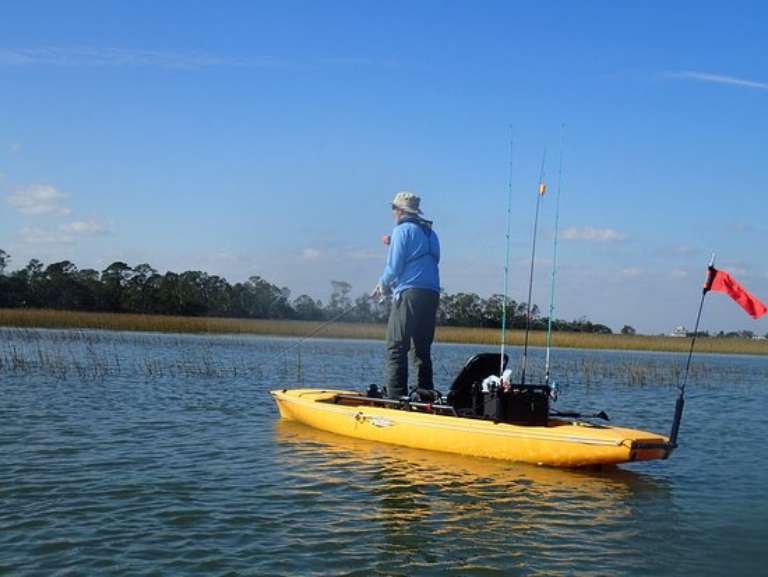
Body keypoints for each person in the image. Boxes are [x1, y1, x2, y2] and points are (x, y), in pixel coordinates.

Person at [372, 192, 441, 399]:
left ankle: (395, 399)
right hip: (432, 294)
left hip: (410, 294)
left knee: (396, 347)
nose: (393, 213)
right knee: (422, 349)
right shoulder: (431, 233)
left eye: (393, 209)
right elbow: (429, 260)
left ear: (400, 211)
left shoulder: (401, 230)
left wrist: (382, 285)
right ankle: (426, 398)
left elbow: (394, 267)